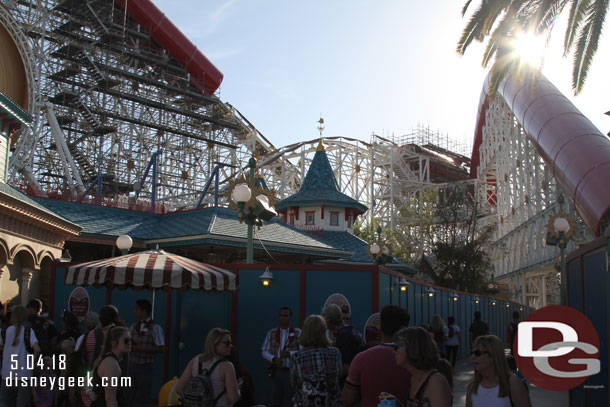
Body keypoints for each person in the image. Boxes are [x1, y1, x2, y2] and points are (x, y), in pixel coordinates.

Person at [342, 305, 411, 407]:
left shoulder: (361, 359)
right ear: (406, 328)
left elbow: (347, 400)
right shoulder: (416, 361)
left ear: (380, 326)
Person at [384, 326, 452, 407]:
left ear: (411, 347)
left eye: (396, 347)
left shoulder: (435, 382)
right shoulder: (413, 379)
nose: (393, 352)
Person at [176, 328, 241, 407]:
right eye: (227, 343)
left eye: (231, 342)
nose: (231, 346)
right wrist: (238, 388)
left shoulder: (195, 361)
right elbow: (233, 398)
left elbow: (179, 388)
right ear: (215, 344)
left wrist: (195, 401)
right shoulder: (227, 367)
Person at [290, 315, 342, 407]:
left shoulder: (297, 357)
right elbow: (336, 380)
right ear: (324, 331)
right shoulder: (335, 353)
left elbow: (294, 384)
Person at [466, 335, 531, 407]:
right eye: (472, 353)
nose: (472, 357)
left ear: (493, 356)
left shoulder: (512, 383)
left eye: (477, 353)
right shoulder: (472, 388)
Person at [1, 305, 41, 407]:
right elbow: (37, 349)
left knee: (4, 401)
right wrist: (32, 363)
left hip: (7, 371)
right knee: (21, 402)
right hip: (24, 372)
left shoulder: (5, 331)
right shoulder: (29, 331)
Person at [261, 306, 301, 407]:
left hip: (291, 371)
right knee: (274, 399)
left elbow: (303, 352)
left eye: (286, 315)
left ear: (291, 317)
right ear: (278, 317)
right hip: (276, 371)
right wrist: (273, 359)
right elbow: (264, 351)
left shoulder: (298, 332)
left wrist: (290, 354)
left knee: (289, 400)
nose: (283, 317)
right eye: (281, 315)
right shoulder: (272, 333)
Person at [128, 299, 165, 407]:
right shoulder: (133, 326)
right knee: (128, 394)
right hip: (132, 365)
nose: (134, 311)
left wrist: (143, 349)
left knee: (143, 396)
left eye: (137, 309)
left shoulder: (156, 328)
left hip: (145, 366)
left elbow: (161, 348)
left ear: (144, 311)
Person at [89, 325, 132, 407]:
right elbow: (110, 399)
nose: (130, 342)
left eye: (130, 340)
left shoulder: (110, 361)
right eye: (126, 340)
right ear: (114, 342)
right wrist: (89, 392)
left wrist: (89, 391)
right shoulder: (111, 364)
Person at [321, 304, 363, 387]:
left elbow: (346, 367)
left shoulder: (344, 336)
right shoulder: (349, 330)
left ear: (328, 320)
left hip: (348, 385)